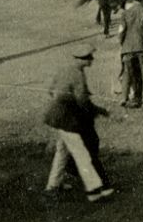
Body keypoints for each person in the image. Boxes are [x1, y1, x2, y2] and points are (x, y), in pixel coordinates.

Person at [42, 43, 114, 203]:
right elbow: (83, 101)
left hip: (57, 115)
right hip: (68, 118)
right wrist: (99, 110)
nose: (92, 60)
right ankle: (97, 189)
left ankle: (53, 186)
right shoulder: (77, 75)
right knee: (83, 152)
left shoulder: (64, 69)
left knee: (62, 150)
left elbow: (51, 90)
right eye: (89, 57)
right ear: (82, 59)